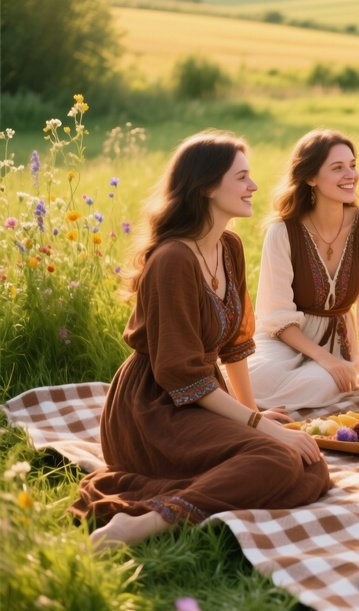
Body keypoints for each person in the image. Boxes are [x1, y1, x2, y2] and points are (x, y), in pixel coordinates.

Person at [72, 132, 330, 549]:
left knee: (310, 464)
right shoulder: (172, 260)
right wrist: (260, 428)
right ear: (208, 187)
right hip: (153, 410)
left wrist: (253, 414)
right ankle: (143, 524)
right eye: (242, 177)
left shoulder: (228, 246)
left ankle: (182, 487)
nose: (254, 187)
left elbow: (236, 346)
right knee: (276, 457)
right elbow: (179, 374)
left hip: (199, 398)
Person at [248, 129, 359, 411]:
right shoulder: (282, 232)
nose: (351, 175)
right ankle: (249, 409)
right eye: (337, 168)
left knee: (322, 383)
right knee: (257, 376)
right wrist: (324, 358)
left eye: (353, 165)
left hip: (337, 343)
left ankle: (254, 410)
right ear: (310, 178)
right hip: (285, 338)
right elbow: (276, 316)